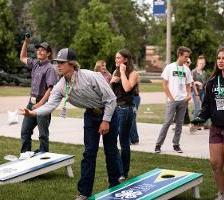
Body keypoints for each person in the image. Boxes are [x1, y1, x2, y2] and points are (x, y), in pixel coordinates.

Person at [19, 48, 122, 200]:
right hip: (91, 116)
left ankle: (116, 188)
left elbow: (111, 100)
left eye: (62, 63)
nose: (58, 66)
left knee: (111, 152)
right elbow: (50, 105)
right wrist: (32, 113)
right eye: (57, 63)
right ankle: (84, 193)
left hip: (110, 113)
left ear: (72, 64)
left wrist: (106, 120)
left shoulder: (91, 76)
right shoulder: (61, 85)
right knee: (89, 153)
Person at [192, 46, 224, 200]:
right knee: (215, 163)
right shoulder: (212, 81)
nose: (220, 61)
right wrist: (200, 117)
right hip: (215, 128)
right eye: (219, 58)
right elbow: (207, 105)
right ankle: (222, 194)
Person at [19, 35, 58, 154]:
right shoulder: (35, 63)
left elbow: (50, 88)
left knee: (43, 134)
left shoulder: (50, 68)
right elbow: (22, 57)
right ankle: (25, 155)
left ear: (48, 54)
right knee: (25, 131)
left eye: (43, 50)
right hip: (31, 103)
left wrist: (41, 103)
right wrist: (26, 42)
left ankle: (43, 156)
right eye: (38, 49)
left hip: (43, 105)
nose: (39, 51)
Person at [154, 46, 192, 154]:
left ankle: (176, 145)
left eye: (188, 57)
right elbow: (164, 84)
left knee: (179, 124)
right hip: (172, 100)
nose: (187, 59)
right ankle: (158, 145)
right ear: (180, 55)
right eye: (186, 57)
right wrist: (170, 97)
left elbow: (188, 85)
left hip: (183, 100)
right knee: (167, 122)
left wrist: (188, 95)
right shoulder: (169, 67)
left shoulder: (186, 69)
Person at [110, 49, 139, 181]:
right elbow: (109, 92)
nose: (116, 60)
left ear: (125, 60)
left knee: (123, 141)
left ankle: (123, 173)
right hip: (115, 109)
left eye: (118, 58)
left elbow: (127, 88)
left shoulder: (133, 73)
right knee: (111, 141)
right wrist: (112, 82)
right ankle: (118, 169)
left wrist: (122, 72)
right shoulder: (115, 72)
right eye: (115, 58)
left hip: (126, 109)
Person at [191, 55, 209, 129]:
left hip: (203, 92)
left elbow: (206, 82)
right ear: (197, 63)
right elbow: (190, 82)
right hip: (195, 92)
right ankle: (195, 125)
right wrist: (196, 83)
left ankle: (205, 124)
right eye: (200, 63)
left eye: (203, 63)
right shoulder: (193, 72)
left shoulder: (204, 72)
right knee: (197, 108)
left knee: (205, 107)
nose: (202, 65)